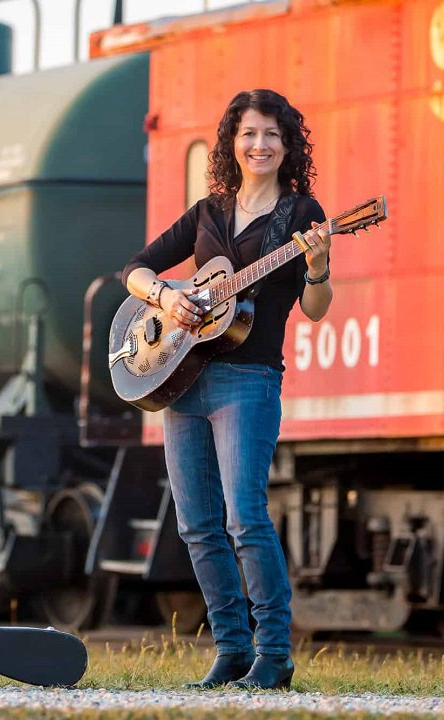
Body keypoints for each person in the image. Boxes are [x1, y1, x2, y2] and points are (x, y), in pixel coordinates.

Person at [122, 89, 332, 691]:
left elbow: (315, 309)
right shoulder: (209, 211)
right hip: (184, 379)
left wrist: (316, 267)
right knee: (196, 525)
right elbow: (136, 269)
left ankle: (273, 653)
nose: (259, 144)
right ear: (231, 144)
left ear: (287, 144)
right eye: (248, 134)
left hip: (250, 380)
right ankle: (232, 650)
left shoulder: (302, 215)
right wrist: (166, 295)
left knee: (245, 517)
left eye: (271, 134)